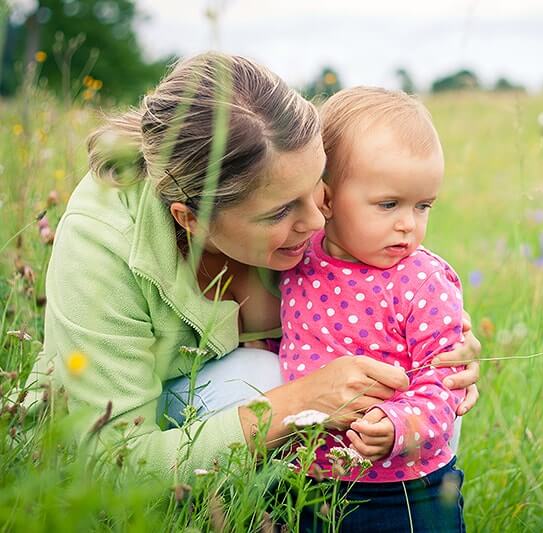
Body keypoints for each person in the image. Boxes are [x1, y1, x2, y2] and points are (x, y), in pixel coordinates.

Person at [28, 52, 480, 481]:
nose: (318, 219)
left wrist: (436, 352)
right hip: (138, 437)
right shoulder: (104, 241)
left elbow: (386, 277)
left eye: (319, 188)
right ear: (192, 218)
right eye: (279, 212)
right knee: (254, 379)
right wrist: (296, 405)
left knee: (412, 414)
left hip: (305, 413)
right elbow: (116, 463)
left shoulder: (273, 147)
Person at [275, 87, 466, 532]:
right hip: (309, 478)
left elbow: (445, 381)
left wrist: (399, 424)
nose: (408, 223)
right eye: (388, 204)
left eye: (423, 206)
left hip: (404, 488)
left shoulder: (422, 281)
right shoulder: (297, 260)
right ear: (326, 200)